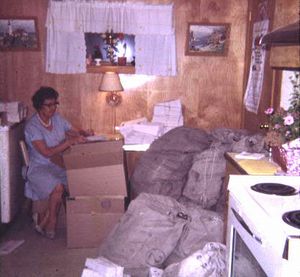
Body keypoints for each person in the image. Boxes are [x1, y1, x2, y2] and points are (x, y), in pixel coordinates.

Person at [24, 86, 93, 239]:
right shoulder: (32, 127)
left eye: (55, 104)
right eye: (49, 105)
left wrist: (83, 133)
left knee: (81, 180)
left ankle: (49, 218)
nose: (53, 108)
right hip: (39, 168)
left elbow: (71, 131)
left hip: (57, 165)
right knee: (58, 186)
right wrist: (69, 142)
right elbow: (47, 152)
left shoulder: (57, 119)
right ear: (39, 106)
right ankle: (52, 222)